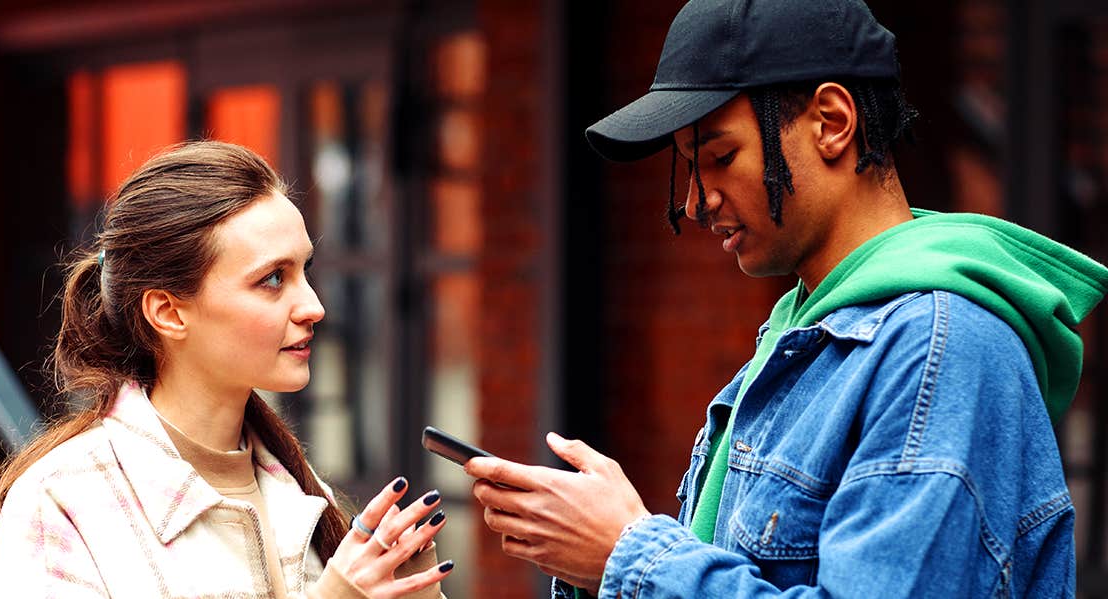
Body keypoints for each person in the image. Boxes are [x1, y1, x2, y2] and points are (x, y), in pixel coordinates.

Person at [464, 0, 1108, 597]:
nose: (695, 201)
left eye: (719, 156)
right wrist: (592, 557)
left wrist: (627, 553)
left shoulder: (941, 346)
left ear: (831, 122)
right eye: (689, 167)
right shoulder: (805, 338)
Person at [0, 141, 453, 598]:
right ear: (168, 312)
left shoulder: (298, 489)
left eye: (304, 271)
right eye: (272, 279)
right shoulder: (62, 503)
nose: (313, 306)